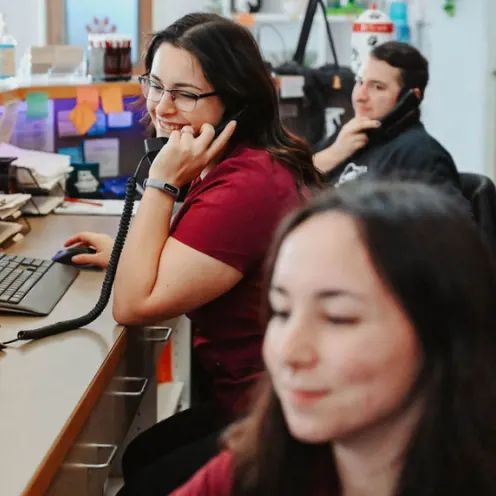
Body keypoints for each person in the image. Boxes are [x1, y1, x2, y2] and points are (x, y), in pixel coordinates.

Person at [64, 12, 322, 495]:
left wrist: (163, 179)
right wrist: (127, 256)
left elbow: (134, 306)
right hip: (251, 391)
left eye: (184, 94)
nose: (161, 107)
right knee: (142, 455)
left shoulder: (245, 185)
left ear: (235, 103)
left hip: (274, 407)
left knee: (145, 481)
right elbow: (194, 259)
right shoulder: (239, 163)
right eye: (155, 84)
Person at [172, 180, 496, 495]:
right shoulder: (255, 472)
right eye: (282, 311)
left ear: (442, 331)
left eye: (338, 318)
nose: (289, 351)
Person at [313, 42, 470, 214]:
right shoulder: (347, 137)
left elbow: (453, 231)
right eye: (360, 82)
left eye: (377, 87)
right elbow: (289, 187)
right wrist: (334, 153)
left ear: (410, 97)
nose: (360, 96)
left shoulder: (420, 154)